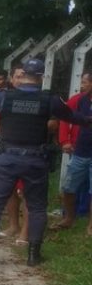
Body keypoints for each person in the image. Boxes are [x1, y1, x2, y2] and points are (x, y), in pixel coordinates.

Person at [0, 58, 92, 267]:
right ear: (41, 76)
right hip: (36, 160)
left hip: (7, 159)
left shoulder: (4, 97)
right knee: (37, 207)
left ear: (22, 75)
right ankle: (34, 254)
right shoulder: (50, 99)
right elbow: (73, 117)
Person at [56, 71, 92, 233]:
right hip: (81, 151)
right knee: (69, 187)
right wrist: (65, 140)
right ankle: (69, 217)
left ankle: (90, 225)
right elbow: (66, 117)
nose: (81, 85)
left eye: (85, 82)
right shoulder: (81, 100)